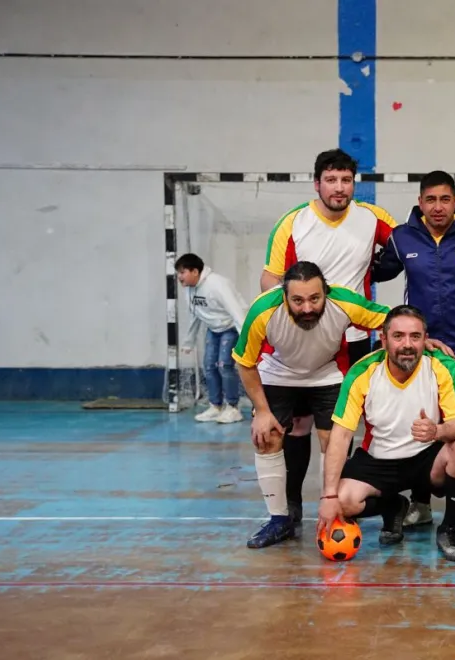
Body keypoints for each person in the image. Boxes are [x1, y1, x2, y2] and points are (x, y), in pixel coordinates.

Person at [258, 149, 397, 518]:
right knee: (295, 428)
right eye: (331, 180)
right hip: (302, 340)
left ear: (355, 183)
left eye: (346, 180)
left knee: (338, 432)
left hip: (351, 344)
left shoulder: (372, 219)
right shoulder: (293, 223)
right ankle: (291, 510)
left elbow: (413, 244)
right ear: (317, 183)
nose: (339, 188)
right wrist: (280, 323)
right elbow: (271, 279)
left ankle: (335, 507)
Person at [232, 261, 391, 549]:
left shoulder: (343, 302)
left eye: (315, 299)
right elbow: (244, 363)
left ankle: (331, 511)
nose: (307, 308)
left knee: (334, 442)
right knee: (266, 438)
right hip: (278, 373)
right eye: (298, 300)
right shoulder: (263, 310)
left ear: (326, 293)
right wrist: (263, 412)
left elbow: (392, 320)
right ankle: (279, 520)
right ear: (284, 296)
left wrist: (423, 338)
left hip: (326, 374)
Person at [372, 170, 455, 533]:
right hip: (420, 349)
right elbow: (372, 274)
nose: (438, 207)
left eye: (445, 199)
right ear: (420, 202)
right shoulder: (401, 238)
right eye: (430, 200)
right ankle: (421, 502)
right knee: (426, 423)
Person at [317, 305, 455, 562]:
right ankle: (393, 507)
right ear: (383, 340)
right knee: (343, 501)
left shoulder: (442, 365)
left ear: (425, 339)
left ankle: (449, 529)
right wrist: (328, 495)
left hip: (427, 458)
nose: (407, 344)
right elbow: (341, 435)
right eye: (398, 336)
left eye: (415, 337)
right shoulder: (363, 373)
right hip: (379, 459)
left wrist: (437, 430)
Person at [175, 253, 248, 424]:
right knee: (209, 367)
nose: (179, 277)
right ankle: (216, 406)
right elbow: (195, 314)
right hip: (213, 329)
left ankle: (233, 408)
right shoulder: (189, 289)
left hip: (231, 328)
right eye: (178, 273)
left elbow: (236, 310)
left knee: (224, 366)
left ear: (194, 271)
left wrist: (246, 339)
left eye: (182, 272)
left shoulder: (217, 284)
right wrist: (189, 341)